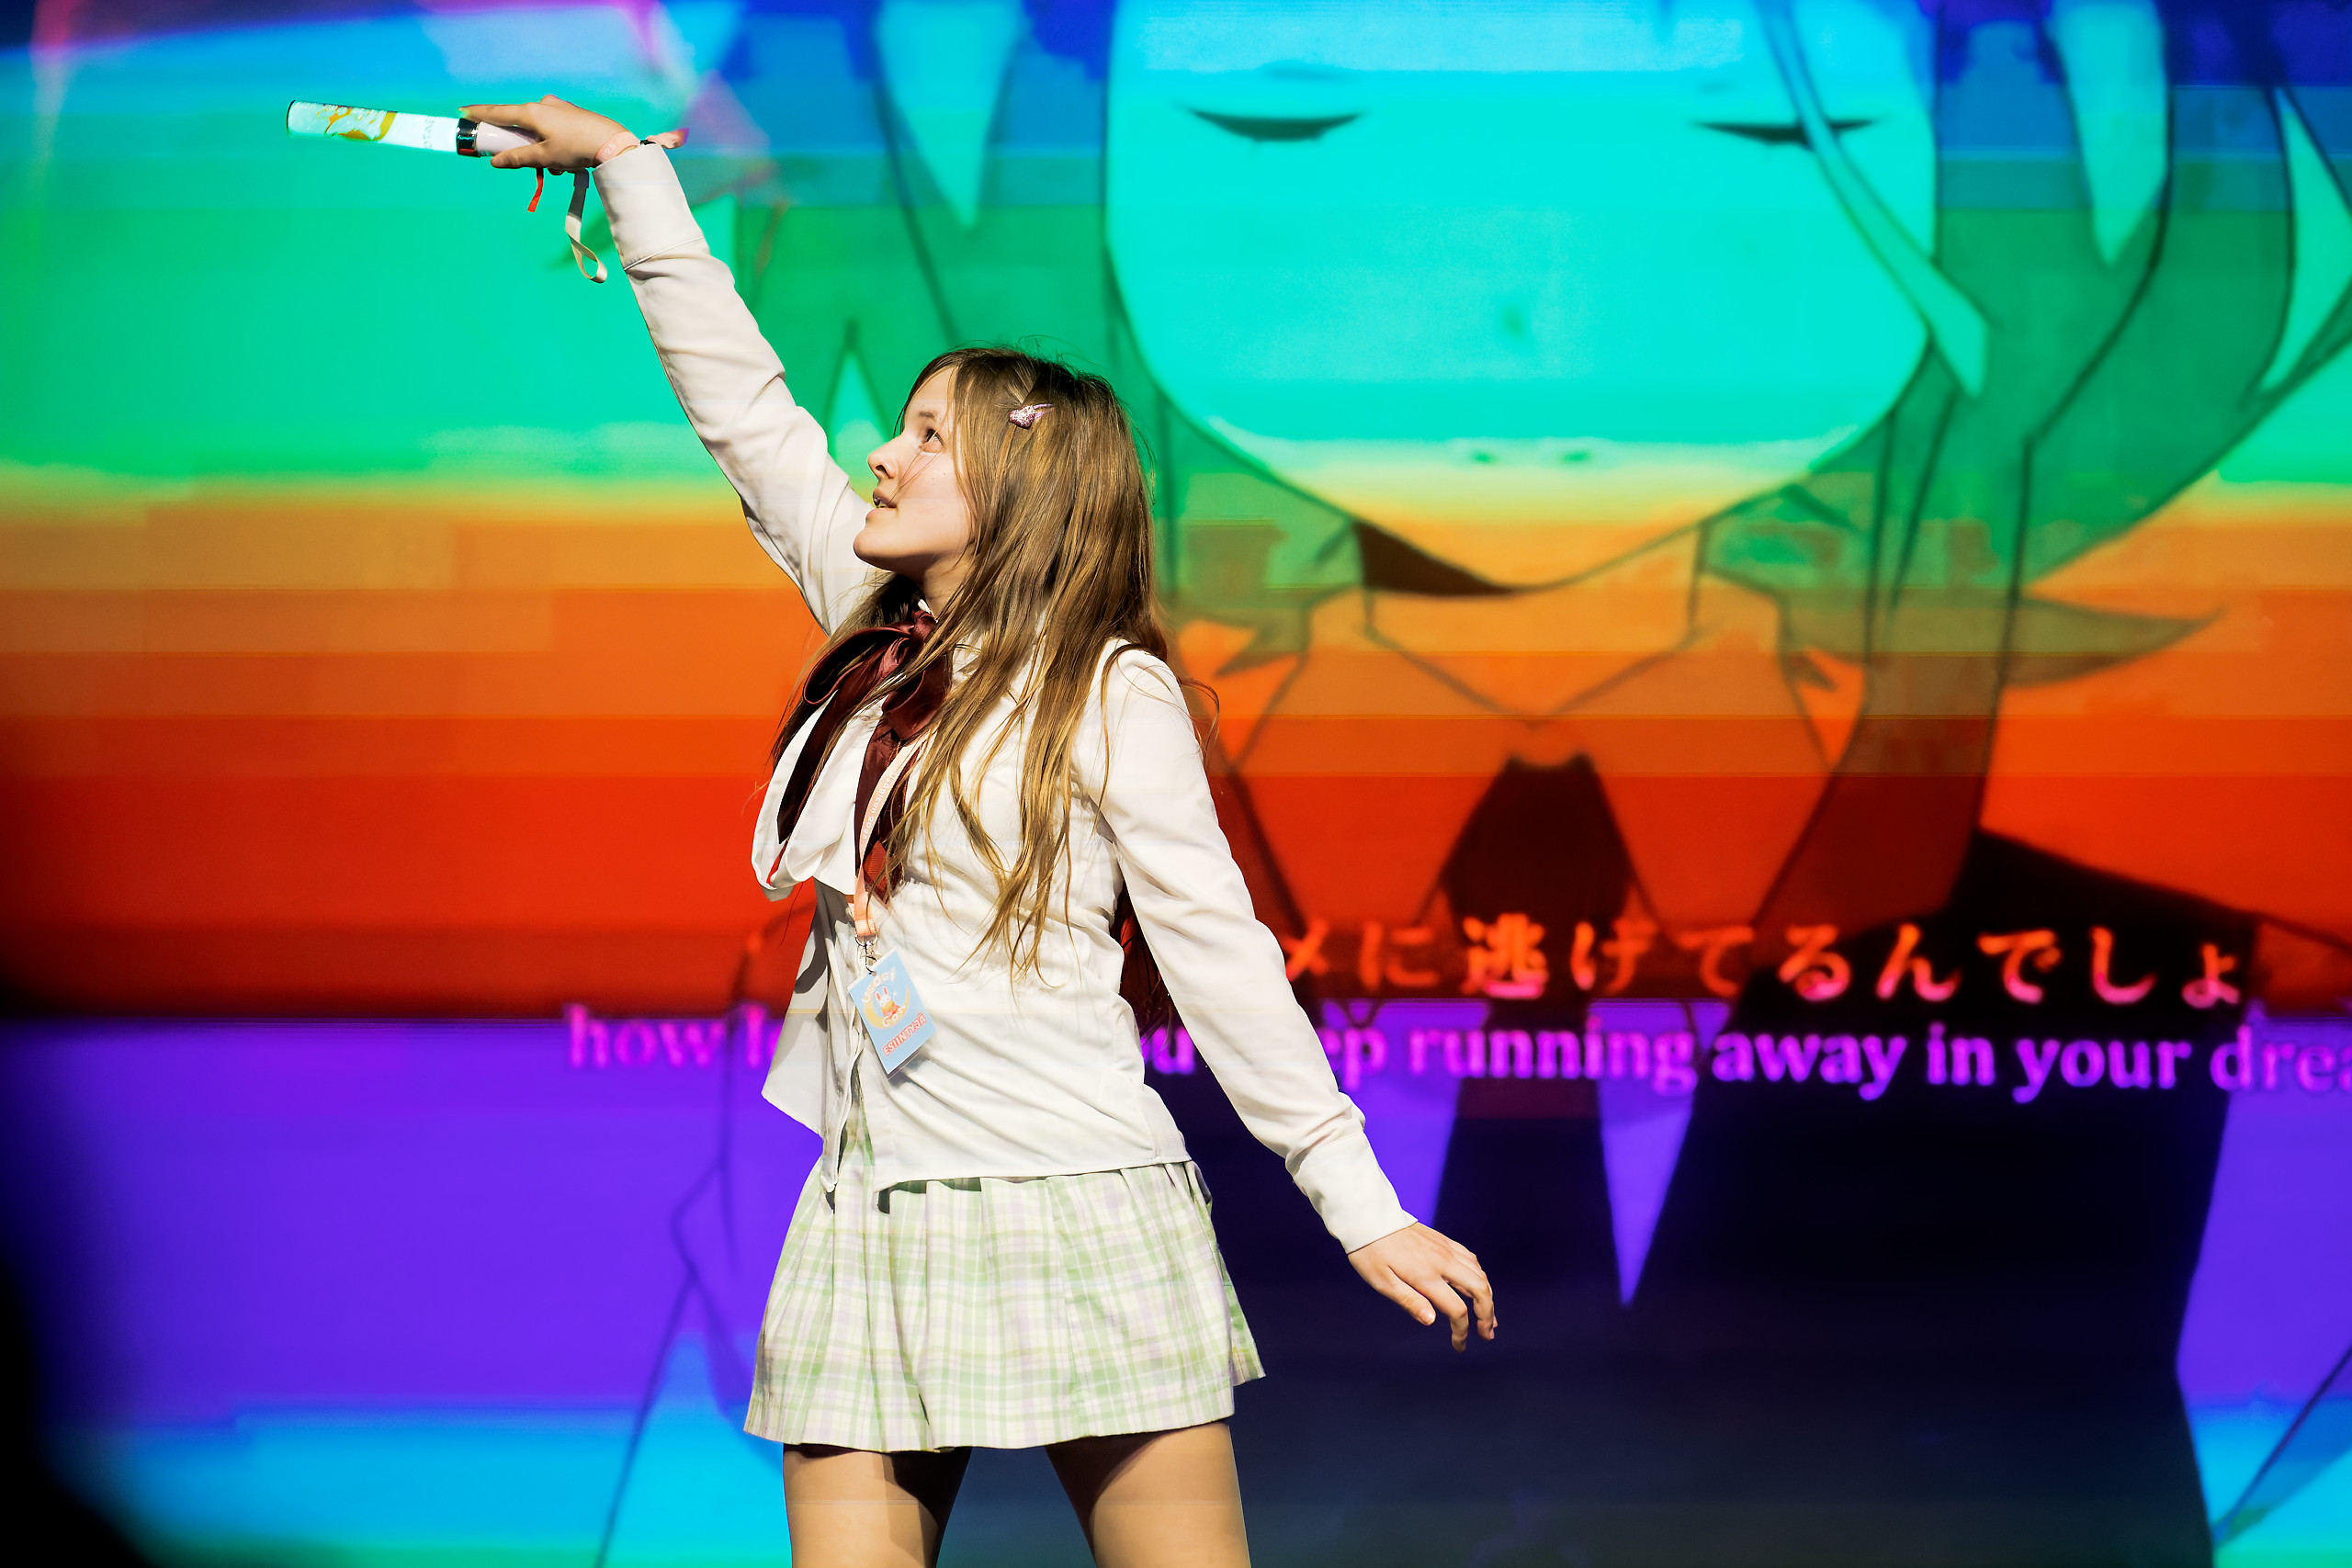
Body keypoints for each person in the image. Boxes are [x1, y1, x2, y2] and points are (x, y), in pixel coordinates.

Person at [460, 95, 1495, 1568]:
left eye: (925, 436)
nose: (880, 456)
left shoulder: (1108, 690)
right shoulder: (871, 624)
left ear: (1019, 491)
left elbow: (1220, 955)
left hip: (1075, 1197)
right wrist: (628, 171)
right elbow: (742, 405)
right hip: (871, 1198)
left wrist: (1360, 1204)